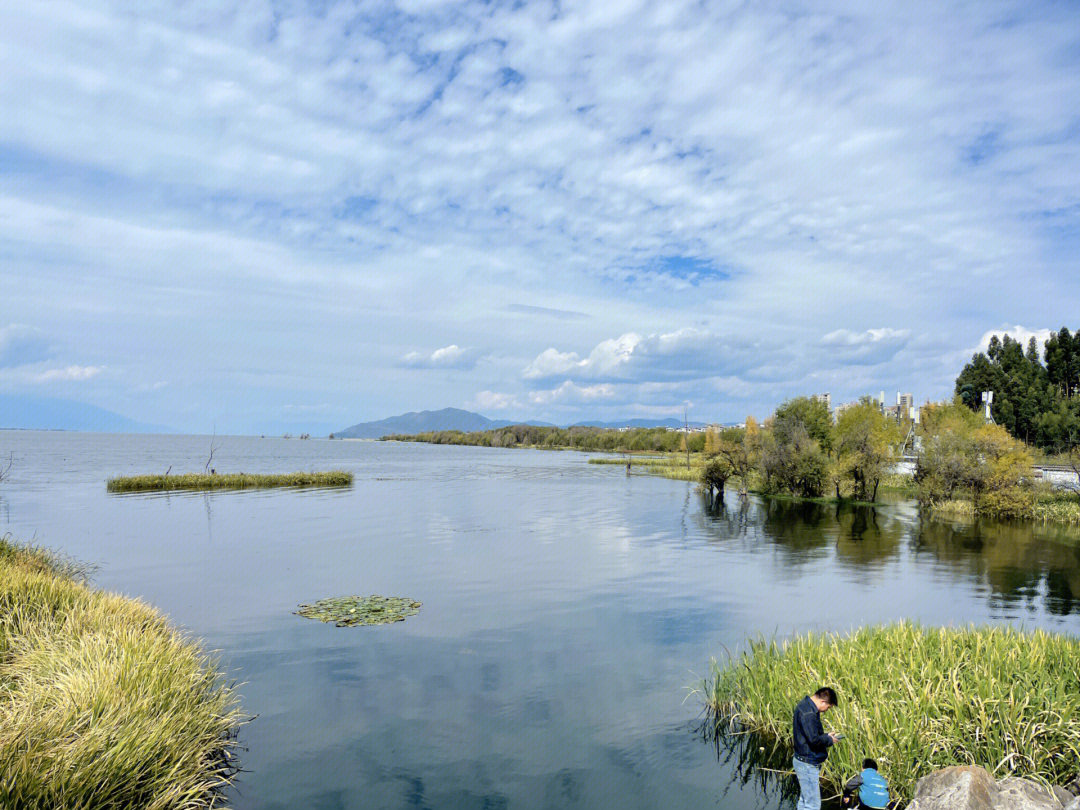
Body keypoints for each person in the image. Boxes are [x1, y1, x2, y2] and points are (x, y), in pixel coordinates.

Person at [792, 686, 840, 810]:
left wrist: (825, 736)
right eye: (828, 707)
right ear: (823, 702)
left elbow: (809, 735)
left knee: (804, 801)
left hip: (802, 760)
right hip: (807, 763)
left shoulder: (805, 705)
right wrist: (829, 740)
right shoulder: (809, 714)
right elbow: (813, 740)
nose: (826, 710)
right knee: (812, 805)